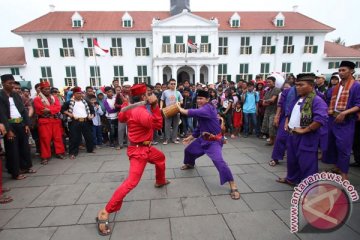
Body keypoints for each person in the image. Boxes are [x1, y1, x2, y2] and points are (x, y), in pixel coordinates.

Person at [96, 84, 169, 236]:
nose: (150, 96)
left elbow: (121, 117)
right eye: (148, 94)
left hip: (146, 148)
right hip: (139, 151)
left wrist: (125, 103)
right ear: (143, 97)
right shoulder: (139, 111)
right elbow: (157, 124)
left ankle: (160, 181)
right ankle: (105, 211)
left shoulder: (130, 108)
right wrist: (155, 105)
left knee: (160, 158)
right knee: (132, 182)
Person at [178, 90, 241, 200]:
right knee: (189, 151)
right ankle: (190, 164)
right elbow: (199, 127)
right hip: (203, 139)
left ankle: (232, 184)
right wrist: (190, 137)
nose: (199, 100)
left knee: (219, 161)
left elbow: (192, 112)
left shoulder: (208, 108)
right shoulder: (203, 109)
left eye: (201, 98)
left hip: (214, 142)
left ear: (207, 100)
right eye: (198, 98)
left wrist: (180, 109)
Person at [277, 73, 328, 185]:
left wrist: (305, 130)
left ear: (311, 85)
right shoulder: (298, 98)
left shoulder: (317, 100)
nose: (297, 87)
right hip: (292, 134)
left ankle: (309, 187)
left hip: (306, 137)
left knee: (307, 162)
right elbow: (290, 112)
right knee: (292, 160)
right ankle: (292, 179)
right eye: (296, 85)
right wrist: (287, 122)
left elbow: (320, 119)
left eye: (301, 85)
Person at [323, 61, 360, 180]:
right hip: (332, 118)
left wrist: (344, 112)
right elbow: (328, 100)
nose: (340, 73)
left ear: (352, 71)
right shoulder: (336, 87)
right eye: (339, 70)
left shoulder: (356, 85)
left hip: (347, 121)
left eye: (343, 70)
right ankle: (337, 167)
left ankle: (344, 175)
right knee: (332, 145)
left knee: (344, 147)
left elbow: (358, 105)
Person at [0, 74, 34, 180]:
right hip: (9, 125)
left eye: (13, 83)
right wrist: (8, 130)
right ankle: (15, 172)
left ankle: (26, 167)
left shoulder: (16, 95)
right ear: (3, 84)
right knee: (12, 150)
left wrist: (27, 124)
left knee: (24, 147)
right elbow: (1, 114)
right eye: (9, 83)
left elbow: (23, 110)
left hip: (21, 124)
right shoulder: (0, 95)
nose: (11, 85)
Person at [33, 81, 65, 165]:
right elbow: (41, 109)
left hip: (55, 121)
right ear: (41, 90)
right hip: (44, 121)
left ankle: (59, 152)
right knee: (45, 139)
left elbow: (58, 108)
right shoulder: (37, 99)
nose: (47, 90)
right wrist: (52, 109)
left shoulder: (54, 97)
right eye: (45, 89)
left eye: (48, 89)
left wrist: (49, 110)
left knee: (57, 137)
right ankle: (45, 156)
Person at [62, 87, 95, 159]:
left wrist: (91, 115)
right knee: (74, 137)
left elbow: (92, 110)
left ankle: (90, 149)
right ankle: (73, 153)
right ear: (74, 94)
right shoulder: (69, 102)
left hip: (86, 121)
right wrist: (69, 114)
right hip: (75, 121)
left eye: (80, 93)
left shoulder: (86, 101)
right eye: (78, 93)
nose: (79, 95)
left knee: (89, 136)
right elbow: (62, 109)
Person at [269, 82, 292, 166]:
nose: (299, 86)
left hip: (300, 119)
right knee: (280, 137)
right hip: (285, 116)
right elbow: (280, 104)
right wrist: (277, 116)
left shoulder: (313, 94)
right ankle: (276, 158)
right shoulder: (287, 92)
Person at [160, 78, 183, 144]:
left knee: (176, 125)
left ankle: (174, 139)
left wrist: (179, 102)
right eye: (171, 84)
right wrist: (161, 107)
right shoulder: (165, 92)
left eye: (174, 84)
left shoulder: (178, 92)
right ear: (169, 85)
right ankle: (167, 139)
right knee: (167, 125)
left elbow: (181, 100)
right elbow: (162, 100)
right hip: (168, 111)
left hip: (176, 110)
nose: (173, 85)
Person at [261, 76, 281, 145]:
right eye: (267, 82)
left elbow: (272, 100)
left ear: (274, 82)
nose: (268, 83)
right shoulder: (267, 91)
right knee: (266, 126)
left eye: (270, 82)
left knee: (272, 126)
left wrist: (266, 101)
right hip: (267, 110)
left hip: (274, 111)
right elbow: (263, 103)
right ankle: (271, 140)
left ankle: (275, 141)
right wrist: (266, 102)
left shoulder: (277, 89)